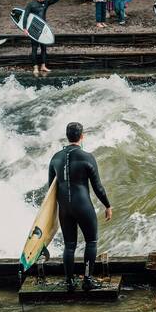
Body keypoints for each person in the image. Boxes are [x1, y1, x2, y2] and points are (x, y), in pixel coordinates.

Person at [48, 122, 113, 292]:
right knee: (91, 242)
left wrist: (55, 212)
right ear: (82, 136)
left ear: (67, 136)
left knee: (69, 245)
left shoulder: (55, 158)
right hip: (83, 206)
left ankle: (69, 282)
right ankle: (87, 280)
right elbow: (98, 187)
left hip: (64, 209)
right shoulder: (87, 157)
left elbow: (51, 190)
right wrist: (107, 205)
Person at [23, 0, 59, 75]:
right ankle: (35, 67)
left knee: (43, 48)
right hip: (33, 29)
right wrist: (24, 28)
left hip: (43, 29)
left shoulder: (46, 3)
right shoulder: (31, 4)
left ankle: (43, 66)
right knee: (34, 48)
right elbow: (25, 16)